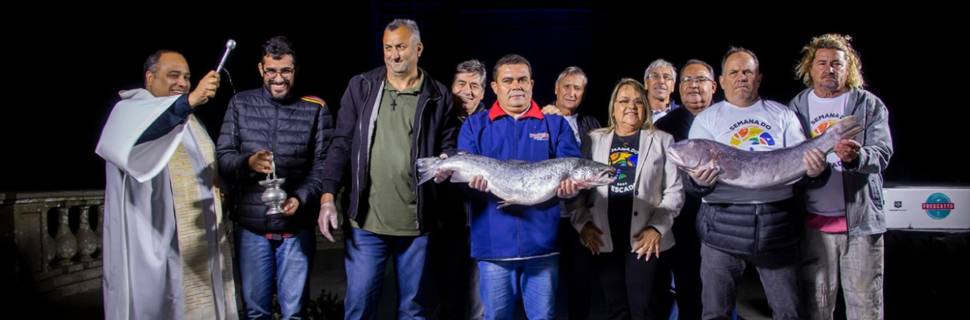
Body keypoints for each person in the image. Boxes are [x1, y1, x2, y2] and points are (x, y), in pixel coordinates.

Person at [315, 18, 459, 319]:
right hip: (366, 224)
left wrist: (447, 163)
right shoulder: (362, 86)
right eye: (388, 48)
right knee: (359, 308)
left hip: (417, 223)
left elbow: (448, 144)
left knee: (414, 311)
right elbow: (341, 143)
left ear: (418, 48)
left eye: (401, 47)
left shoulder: (438, 94)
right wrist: (328, 196)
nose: (394, 55)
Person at [685, 47, 826, 320]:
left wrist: (816, 172)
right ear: (722, 81)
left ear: (758, 78)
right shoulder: (706, 120)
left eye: (747, 72)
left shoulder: (782, 115)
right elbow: (691, 183)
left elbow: (803, 168)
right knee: (715, 313)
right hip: (721, 232)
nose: (741, 78)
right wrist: (698, 183)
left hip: (777, 231)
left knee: (789, 312)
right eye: (734, 72)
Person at [95, 50, 238, 319]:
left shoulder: (191, 122)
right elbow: (139, 141)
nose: (182, 83)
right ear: (150, 78)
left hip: (198, 239)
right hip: (153, 237)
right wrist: (191, 100)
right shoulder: (128, 111)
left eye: (186, 77)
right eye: (173, 75)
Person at [456, 53, 581, 320]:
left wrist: (573, 189)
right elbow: (463, 182)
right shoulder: (473, 126)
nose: (517, 86)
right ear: (495, 87)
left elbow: (574, 171)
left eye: (523, 79)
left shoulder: (555, 124)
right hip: (493, 247)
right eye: (508, 80)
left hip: (542, 246)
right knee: (496, 317)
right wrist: (472, 185)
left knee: (542, 316)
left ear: (532, 84)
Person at [216, 36, 332, 319]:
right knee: (256, 313)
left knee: (294, 314)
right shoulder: (240, 104)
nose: (278, 78)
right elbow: (223, 157)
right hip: (251, 227)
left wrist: (300, 199)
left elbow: (322, 167)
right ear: (260, 70)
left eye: (286, 71)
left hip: (297, 228)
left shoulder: (315, 108)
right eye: (271, 71)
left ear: (295, 70)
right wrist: (249, 162)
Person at [789, 33, 893, 320]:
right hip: (813, 226)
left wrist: (857, 157)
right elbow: (789, 160)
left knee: (865, 307)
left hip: (860, 225)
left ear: (850, 69)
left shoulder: (868, 105)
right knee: (815, 307)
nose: (829, 69)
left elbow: (882, 153)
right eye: (821, 63)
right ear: (810, 69)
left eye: (837, 63)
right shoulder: (797, 107)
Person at [571, 78, 684, 319]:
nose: (630, 106)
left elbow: (674, 192)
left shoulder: (663, 141)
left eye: (637, 101)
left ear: (645, 107)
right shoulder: (593, 139)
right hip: (604, 237)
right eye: (623, 101)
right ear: (613, 107)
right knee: (616, 309)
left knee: (644, 309)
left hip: (645, 239)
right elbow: (577, 190)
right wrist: (583, 225)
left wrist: (657, 228)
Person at [653, 59, 718, 320]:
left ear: (714, 86)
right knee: (687, 288)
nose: (693, 85)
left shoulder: (727, 117)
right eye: (687, 80)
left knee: (721, 289)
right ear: (678, 89)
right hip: (683, 222)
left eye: (700, 79)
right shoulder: (664, 126)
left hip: (724, 218)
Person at [540, 65, 602, 319]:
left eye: (578, 88)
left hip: (581, 216)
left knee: (581, 282)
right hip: (549, 214)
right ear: (556, 88)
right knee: (547, 284)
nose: (571, 92)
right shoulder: (540, 117)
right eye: (567, 86)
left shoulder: (592, 124)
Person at [437, 58, 488, 320]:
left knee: (479, 302)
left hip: (483, 223)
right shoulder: (435, 120)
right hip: (444, 225)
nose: (468, 91)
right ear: (451, 86)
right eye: (461, 84)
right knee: (445, 298)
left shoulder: (493, 124)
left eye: (475, 86)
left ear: (483, 91)